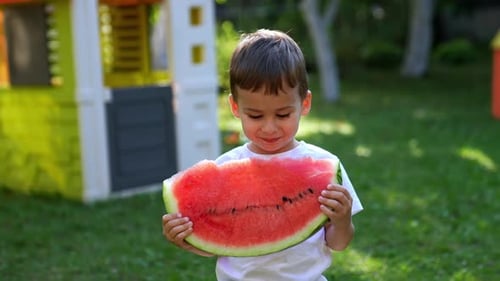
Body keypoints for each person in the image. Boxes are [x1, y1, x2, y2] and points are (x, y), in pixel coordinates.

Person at [162, 29, 363, 281]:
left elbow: (338, 243)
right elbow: (220, 242)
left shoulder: (325, 169)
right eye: (255, 116)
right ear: (235, 107)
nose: (269, 127)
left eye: (282, 115)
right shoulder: (227, 166)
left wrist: (342, 221)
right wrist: (187, 237)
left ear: (305, 104)